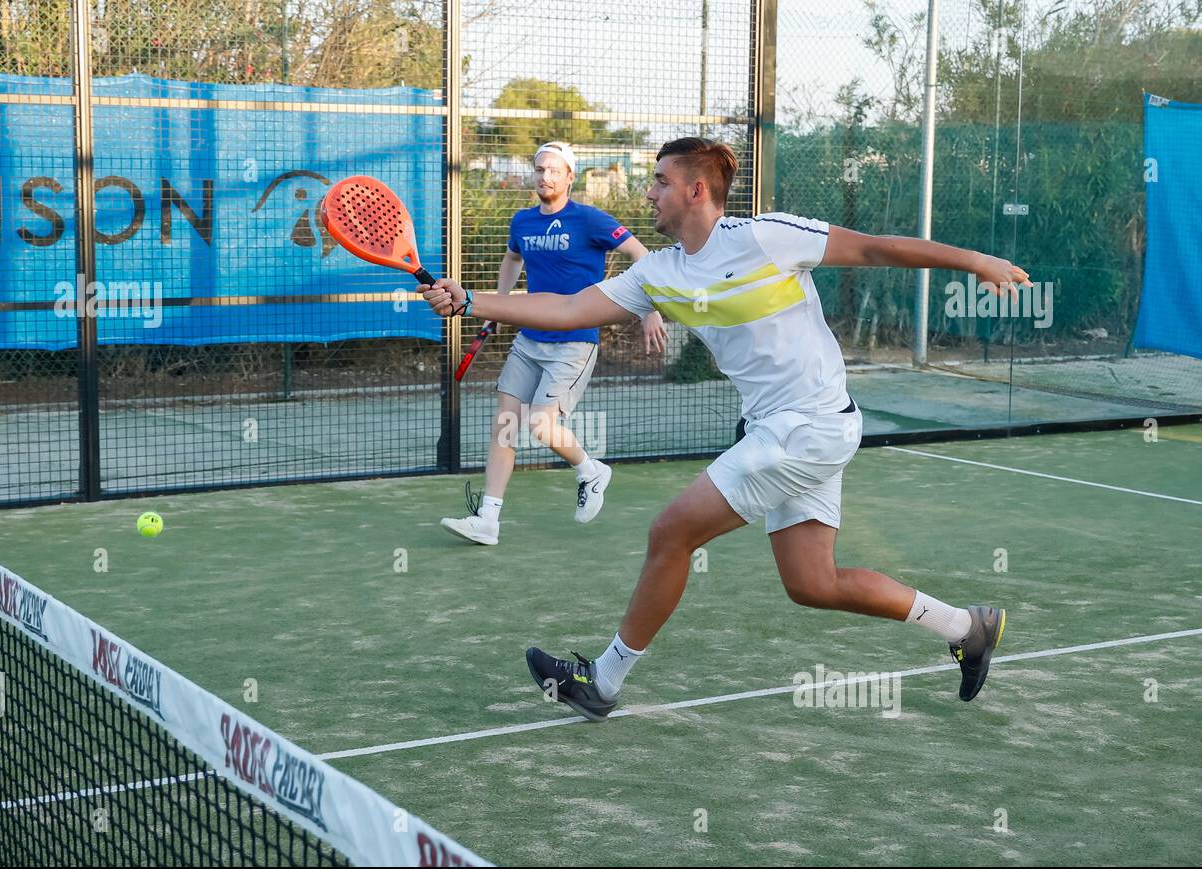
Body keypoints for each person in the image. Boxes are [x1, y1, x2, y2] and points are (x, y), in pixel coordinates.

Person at [422, 137, 1027, 716]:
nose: (649, 193)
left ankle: (602, 682)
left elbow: (874, 249)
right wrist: (471, 299)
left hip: (807, 427)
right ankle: (966, 628)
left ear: (696, 189)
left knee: (671, 532)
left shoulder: (767, 236)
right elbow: (570, 308)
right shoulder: (661, 271)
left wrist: (974, 261)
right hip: (790, 429)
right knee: (812, 582)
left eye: (660, 181)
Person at [440, 142, 666, 546]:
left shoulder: (590, 219)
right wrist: (501, 302)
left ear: (569, 177)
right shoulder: (522, 222)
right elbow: (512, 259)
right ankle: (487, 519)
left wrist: (650, 307)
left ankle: (591, 471)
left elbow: (639, 253)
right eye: (539, 168)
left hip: (575, 341)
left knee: (542, 424)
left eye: (553, 170)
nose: (544, 176)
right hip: (530, 339)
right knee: (505, 425)